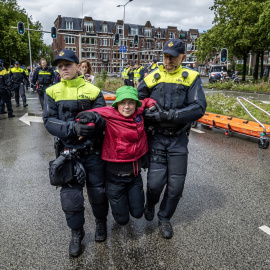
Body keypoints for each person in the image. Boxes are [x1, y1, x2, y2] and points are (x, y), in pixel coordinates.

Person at [137, 38, 207, 239]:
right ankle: (150, 202)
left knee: (176, 186)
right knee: (155, 183)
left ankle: (164, 217)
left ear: (182, 57)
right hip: (157, 138)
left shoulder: (191, 77)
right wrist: (148, 111)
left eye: (173, 57)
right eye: (166, 56)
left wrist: (169, 116)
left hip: (178, 139)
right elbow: (137, 100)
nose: (169, 61)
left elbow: (199, 107)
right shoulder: (153, 76)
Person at [43, 49, 108, 257]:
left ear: (77, 66)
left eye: (68, 64)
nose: (63, 68)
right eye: (60, 65)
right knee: (70, 198)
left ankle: (100, 223)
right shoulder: (52, 91)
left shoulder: (93, 90)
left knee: (98, 193)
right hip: (68, 153)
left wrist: (93, 123)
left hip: (93, 152)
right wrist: (73, 128)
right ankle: (76, 233)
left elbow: (103, 118)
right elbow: (49, 121)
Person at [76, 86, 157, 226]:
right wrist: (87, 122)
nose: (127, 107)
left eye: (131, 102)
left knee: (138, 214)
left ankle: (128, 200)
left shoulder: (138, 111)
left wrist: (151, 103)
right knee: (122, 221)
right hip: (114, 180)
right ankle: (119, 207)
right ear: (117, 104)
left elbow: (145, 101)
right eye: (122, 102)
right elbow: (85, 114)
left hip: (135, 176)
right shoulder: (109, 112)